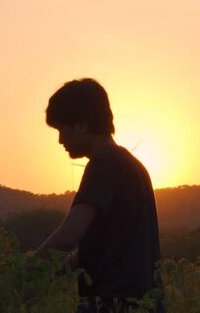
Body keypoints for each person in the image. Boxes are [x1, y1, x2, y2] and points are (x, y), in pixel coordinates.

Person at [36, 78, 165, 313]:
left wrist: (23, 273)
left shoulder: (104, 164)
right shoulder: (133, 166)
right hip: (145, 304)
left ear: (82, 125)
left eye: (62, 130)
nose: (60, 140)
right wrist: (55, 273)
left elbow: (67, 237)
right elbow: (104, 246)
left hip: (113, 304)